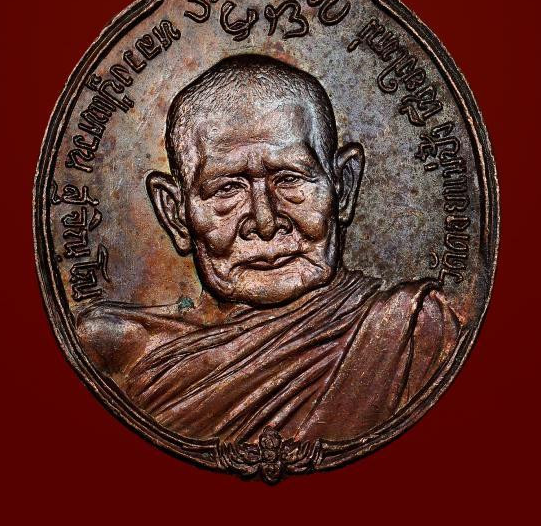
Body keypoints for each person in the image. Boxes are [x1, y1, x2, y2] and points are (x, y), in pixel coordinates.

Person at [78, 54, 462, 443]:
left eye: (290, 179)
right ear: (176, 212)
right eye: (228, 188)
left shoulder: (414, 331)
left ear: (343, 187)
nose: (265, 222)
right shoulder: (120, 349)